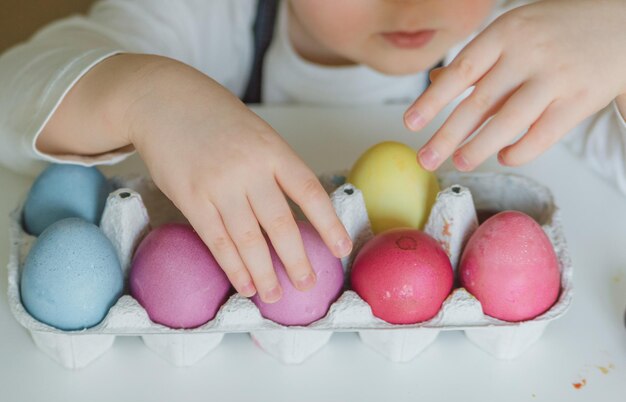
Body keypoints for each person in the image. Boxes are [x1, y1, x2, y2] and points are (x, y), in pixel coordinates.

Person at [1, 0, 625, 304]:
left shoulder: (529, 42)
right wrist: (142, 93)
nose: (412, 3)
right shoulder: (204, 18)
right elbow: (13, 91)